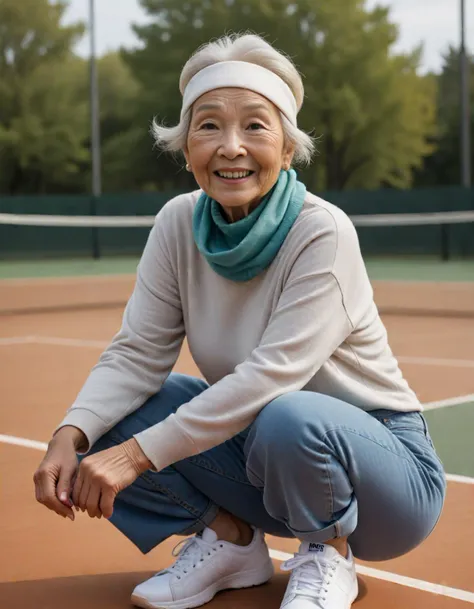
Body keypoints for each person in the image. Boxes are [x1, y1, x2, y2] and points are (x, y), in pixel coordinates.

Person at [33, 32, 446, 609]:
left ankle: (329, 551)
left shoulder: (321, 231)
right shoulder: (177, 223)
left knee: (287, 413)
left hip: (387, 483)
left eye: (255, 126)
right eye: (208, 126)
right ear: (185, 146)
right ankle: (230, 540)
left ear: (286, 145)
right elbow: (136, 353)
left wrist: (132, 457)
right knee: (115, 412)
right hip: (263, 456)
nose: (231, 147)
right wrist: (69, 435)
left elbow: (270, 377)